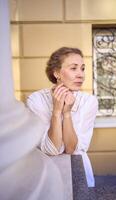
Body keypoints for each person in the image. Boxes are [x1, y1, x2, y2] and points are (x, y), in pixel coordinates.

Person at [26, 47, 98, 187]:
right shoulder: (36, 100)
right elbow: (52, 150)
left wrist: (66, 113)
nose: (80, 75)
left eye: (82, 69)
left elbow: (71, 149)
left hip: (79, 172)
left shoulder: (89, 102)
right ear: (57, 73)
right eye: (73, 68)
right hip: (47, 174)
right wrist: (56, 111)